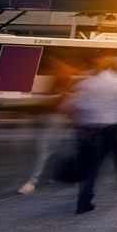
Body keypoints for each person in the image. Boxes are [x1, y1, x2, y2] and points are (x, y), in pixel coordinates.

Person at [59, 55, 117, 214]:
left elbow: (72, 106)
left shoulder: (87, 83)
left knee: (91, 167)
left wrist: (76, 125)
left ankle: (83, 203)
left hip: (91, 130)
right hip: (114, 128)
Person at [18, 59, 79, 194]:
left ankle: (32, 181)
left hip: (56, 119)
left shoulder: (64, 80)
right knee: (54, 149)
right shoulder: (59, 80)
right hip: (53, 119)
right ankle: (52, 177)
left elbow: (62, 101)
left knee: (44, 148)